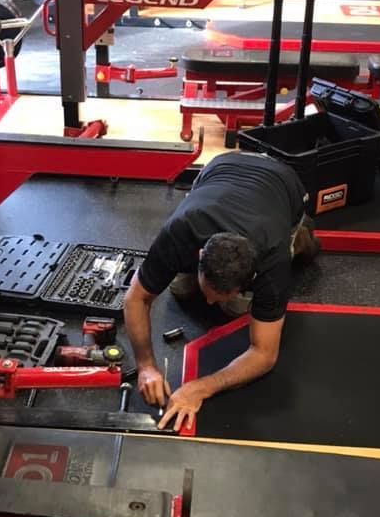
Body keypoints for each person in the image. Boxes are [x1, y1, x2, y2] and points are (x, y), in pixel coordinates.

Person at [123, 152, 318, 431]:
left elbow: (264, 354)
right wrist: (146, 366)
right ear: (200, 255)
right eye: (208, 290)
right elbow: (136, 298)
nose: (209, 301)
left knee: (234, 309)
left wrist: (202, 387)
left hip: (282, 181)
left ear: (251, 279)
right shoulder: (181, 230)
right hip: (223, 166)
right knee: (180, 289)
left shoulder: (272, 260)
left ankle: (302, 238)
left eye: (219, 294)